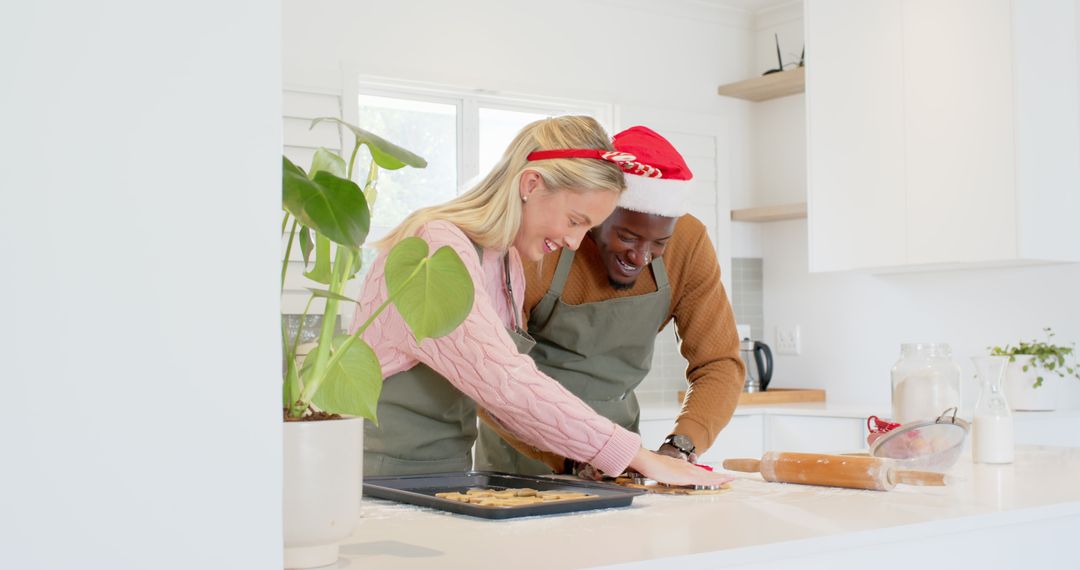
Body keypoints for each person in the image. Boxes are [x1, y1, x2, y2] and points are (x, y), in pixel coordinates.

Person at [350, 115, 731, 488]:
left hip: (445, 471)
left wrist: (591, 458)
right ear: (531, 183)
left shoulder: (505, 262)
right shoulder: (434, 246)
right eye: (574, 220)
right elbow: (503, 381)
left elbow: (497, 393)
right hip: (379, 472)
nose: (576, 242)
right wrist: (640, 457)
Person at [475, 126, 745, 475]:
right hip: (523, 457)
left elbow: (719, 362)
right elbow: (494, 378)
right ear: (596, 213)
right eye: (627, 236)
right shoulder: (540, 246)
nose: (641, 257)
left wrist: (680, 447)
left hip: (621, 459)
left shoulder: (689, 243)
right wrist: (573, 457)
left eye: (659, 244)